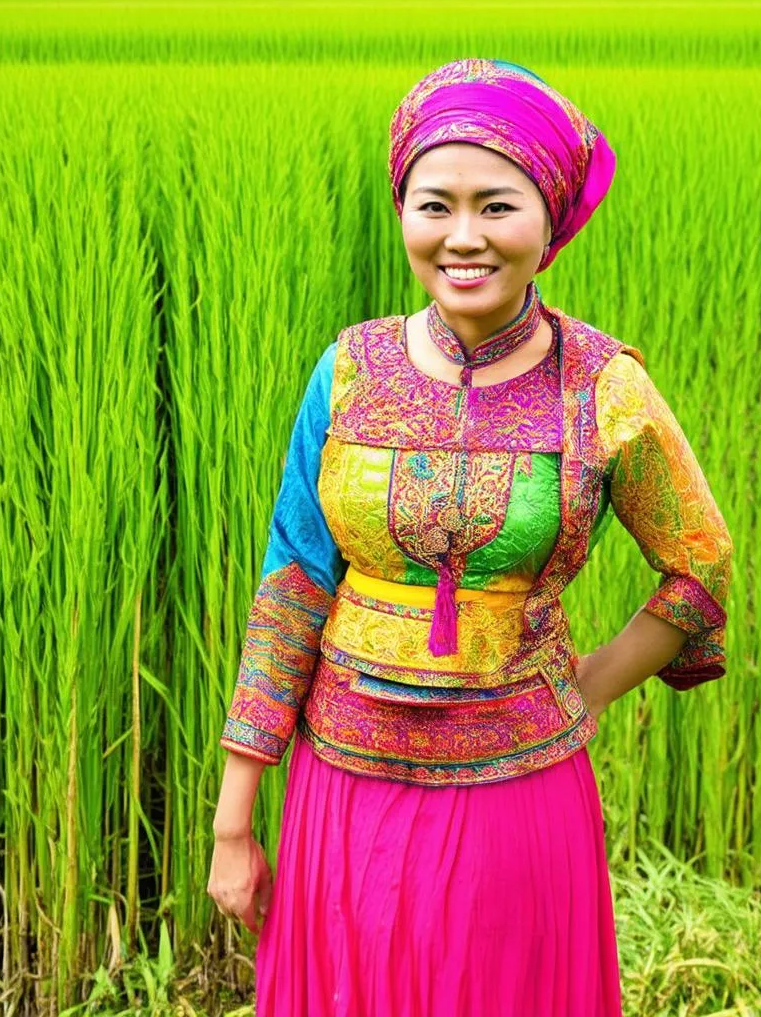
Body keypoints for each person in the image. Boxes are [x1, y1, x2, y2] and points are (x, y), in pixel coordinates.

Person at [207, 57, 733, 1017]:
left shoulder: (601, 385)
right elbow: (294, 581)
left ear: (551, 217)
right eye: (432, 204)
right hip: (342, 787)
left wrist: (589, 684)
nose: (462, 238)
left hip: (518, 794)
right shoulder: (349, 369)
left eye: (497, 206)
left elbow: (700, 566)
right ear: (402, 210)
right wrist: (234, 821)